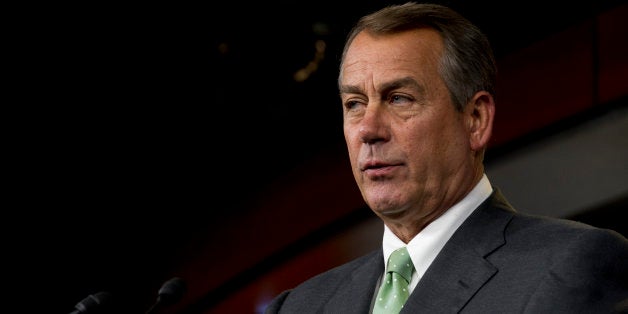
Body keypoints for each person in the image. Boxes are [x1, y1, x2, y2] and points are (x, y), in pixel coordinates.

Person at [264, 2, 628, 313]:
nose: (368, 129)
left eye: (399, 98)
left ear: (475, 120)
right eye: (354, 104)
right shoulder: (300, 305)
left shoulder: (571, 266)